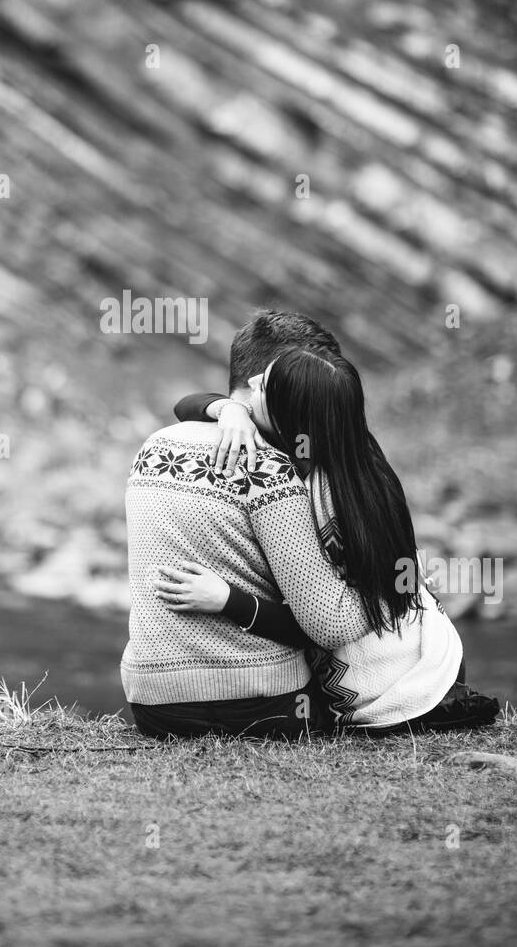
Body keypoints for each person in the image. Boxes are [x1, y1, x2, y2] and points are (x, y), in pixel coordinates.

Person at [156, 332, 499, 734]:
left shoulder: (323, 494)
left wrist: (227, 600)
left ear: (290, 415)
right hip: (431, 645)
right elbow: (187, 404)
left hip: (405, 677)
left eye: (262, 385)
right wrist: (230, 411)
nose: (250, 385)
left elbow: (324, 625)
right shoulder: (345, 447)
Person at [120, 312, 366, 739]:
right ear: (268, 381)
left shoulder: (155, 444)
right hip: (263, 705)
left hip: (153, 705)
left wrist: (226, 407)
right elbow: (328, 626)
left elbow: (189, 404)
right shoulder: (269, 470)